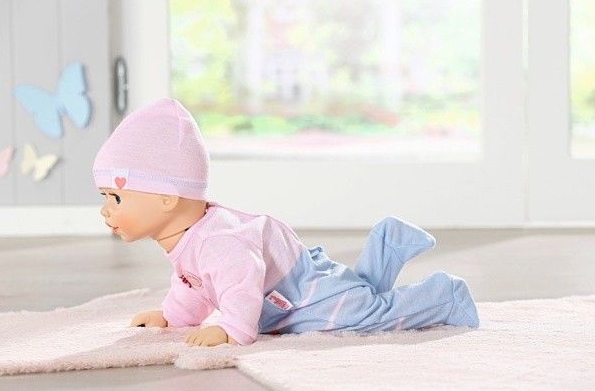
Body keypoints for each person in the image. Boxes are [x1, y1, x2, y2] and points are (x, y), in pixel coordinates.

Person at [93, 98, 480, 347]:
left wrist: (232, 329)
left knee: (364, 316)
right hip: (291, 286)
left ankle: (444, 297)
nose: (106, 210)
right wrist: (173, 317)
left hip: (300, 294)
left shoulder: (218, 243)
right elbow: (195, 283)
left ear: (167, 198)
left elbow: (240, 283)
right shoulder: (189, 237)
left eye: (116, 197)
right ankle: (388, 245)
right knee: (355, 296)